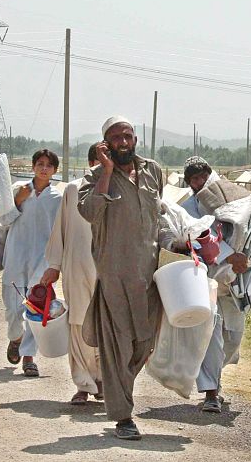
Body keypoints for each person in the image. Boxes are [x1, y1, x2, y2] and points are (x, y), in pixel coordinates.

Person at [78, 115, 163, 440]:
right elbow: (88, 212)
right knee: (116, 349)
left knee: (143, 345)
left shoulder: (152, 170)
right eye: (116, 138)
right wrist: (108, 172)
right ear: (106, 143)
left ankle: (117, 386)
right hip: (114, 277)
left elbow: (159, 214)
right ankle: (123, 415)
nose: (122, 142)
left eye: (127, 136)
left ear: (135, 140)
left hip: (149, 277)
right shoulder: (96, 175)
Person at [179, 157, 251, 413]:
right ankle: (211, 392)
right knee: (211, 333)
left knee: (233, 337)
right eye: (194, 179)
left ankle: (216, 377)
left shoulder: (235, 198)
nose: (199, 183)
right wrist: (227, 255)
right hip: (207, 276)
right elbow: (195, 235)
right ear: (188, 182)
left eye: (202, 177)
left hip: (237, 279)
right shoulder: (188, 207)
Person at [41, 143, 102, 404]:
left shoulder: (122, 191)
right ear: (90, 163)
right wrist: (54, 265)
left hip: (108, 269)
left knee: (107, 325)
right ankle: (83, 383)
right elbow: (61, 229)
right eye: (98, 161)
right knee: (78, 322)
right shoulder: (73, 189)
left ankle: (104, 380)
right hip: (76, 267)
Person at [0, 149, 62, 378]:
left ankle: (29, 357)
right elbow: (4, 219)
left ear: (55, 170)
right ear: (33, 166)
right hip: (16, 254)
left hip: (41, 258)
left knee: (34, 308)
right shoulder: (19, 190)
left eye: (49, 165)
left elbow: (60, 231)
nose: (44, 168)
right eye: (40, 164)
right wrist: (18, 200)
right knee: (12, 309)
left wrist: (55, 263)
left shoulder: (58, 198)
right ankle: (15, 338)